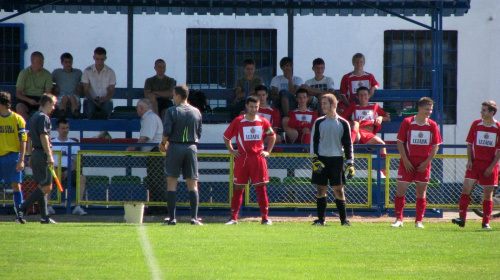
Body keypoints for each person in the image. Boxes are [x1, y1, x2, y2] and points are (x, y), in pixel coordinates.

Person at [223, 96, 276, 225]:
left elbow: (272, 136)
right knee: (238, 188)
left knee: (261, 188)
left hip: (258, 158)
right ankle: (233, 218)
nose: (254, 109)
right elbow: (226, 137)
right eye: (252, 106)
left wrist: (268, 151)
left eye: (256, 107)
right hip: (242, 158)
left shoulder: (263, 121)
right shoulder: (238, 121)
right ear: (247, 106)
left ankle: (265, 218)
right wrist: (231, 150)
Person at [391, 97, 442, 229]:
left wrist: (427, 162)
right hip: (407, 162)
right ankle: (399, 219)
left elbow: (436, 145)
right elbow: (400, 142)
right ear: (419, 108)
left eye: (430, 109)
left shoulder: (432, 125)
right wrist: (406, 160)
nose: (429, 112)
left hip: (423, 163)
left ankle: (418, 221)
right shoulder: (408, 122)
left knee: (421, 192)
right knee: (401, 189)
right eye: (427, 109)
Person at [158, 85, 203, 226]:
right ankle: (194, 218)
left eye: (173, 95)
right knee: (193, 183)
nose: (172, 97)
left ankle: (172, 218)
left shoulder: (171, 111)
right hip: (191, 147)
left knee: (172, 182)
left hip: (175, 146)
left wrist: (163, 143)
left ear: (178, 95)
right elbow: (199, 133)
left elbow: (167, 131)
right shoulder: (197, 112)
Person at [452, 101, 500, 229]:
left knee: (488, 194)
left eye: (484, 110)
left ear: (491, 113)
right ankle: (461, 218)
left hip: (490, 166)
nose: (481, 112)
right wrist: (470, 160)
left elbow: (499, 150)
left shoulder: (498, 127)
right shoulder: (476, 124)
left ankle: (485, 222)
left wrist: (491, 167)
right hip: (475, 164)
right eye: (482, 110)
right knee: (466, 188)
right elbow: (470, 143)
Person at [310, 93, 354, 226]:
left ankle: (344, 221)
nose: (322, 106)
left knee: (339, 190)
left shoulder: (343, 123)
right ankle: (321, 220)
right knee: (320, 190)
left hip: (337, 160)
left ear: (333, 104)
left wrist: (350, 163)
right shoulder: (318, 122)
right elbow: (313, 142)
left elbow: (348, 144)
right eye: (321, 103)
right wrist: (315, 160)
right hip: (322, 160)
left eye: (325, 103)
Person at [14, 93, 58, 224]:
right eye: (53, 104)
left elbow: (30, 137)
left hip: (35, 153)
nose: (54, 108)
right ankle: (22, 209)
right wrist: (49, 155)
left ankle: (44, 217)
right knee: (47, 187)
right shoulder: (44, 117)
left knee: (41, 185)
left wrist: (30, 155)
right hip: (42, 153)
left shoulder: (34, 116)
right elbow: (43, 136)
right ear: (48, 103)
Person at [126, 98, 166, 213]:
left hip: (155, 152)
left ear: (142, 108)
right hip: (156, 151)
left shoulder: (149, 118)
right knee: (155, 179)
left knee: (155, 180)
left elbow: (145, 137)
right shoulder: (151, 117)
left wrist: (134, 147)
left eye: (137, 107)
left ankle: (158, 208)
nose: (136, 110)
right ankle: (157, 207)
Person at [341, 86, 390, 176]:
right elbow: (341, 119)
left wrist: (381, 117)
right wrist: (352, 122)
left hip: (369, 136)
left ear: (369, 96)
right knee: (356, 124)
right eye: (361, 95)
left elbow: (388, 117)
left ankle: (383, 172)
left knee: (382, 145)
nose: (363, 97)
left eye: (365, 95)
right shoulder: (353, 107)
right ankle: (348, 146)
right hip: (357, 135)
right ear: (357, 97)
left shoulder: (374, 106)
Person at [0, 91, 27, 222]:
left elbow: (23, 140)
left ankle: (19, 215)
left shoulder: (17, 119)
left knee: (16, 185)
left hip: (12, 156)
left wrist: (21, 159)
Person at [51, 118, 87, 215]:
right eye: (63, 128)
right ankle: (48, 206)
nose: (65, 130)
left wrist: (69, 170)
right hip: (54, 168)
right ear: (57, 129)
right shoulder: (51, 143)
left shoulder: (74, 144)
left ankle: (78, 206)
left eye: (67, 128)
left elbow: (76, 161)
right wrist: (55, 171)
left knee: (82, 179)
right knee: (47, 178)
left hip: (70, 169)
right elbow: (48, 160)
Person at [15, 51, 53, 120]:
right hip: (26, 98)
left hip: (41, 98)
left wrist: (42, 101)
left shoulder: (47, 74)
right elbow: (18, 93)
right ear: (32, 61)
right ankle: (29, 125)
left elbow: (48, 93)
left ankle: (43, 124)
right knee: (19, 107)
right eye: (40, 61)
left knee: (49, 107)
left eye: (43, 61)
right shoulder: (24, 74)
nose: (42, 63)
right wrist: (29, 100)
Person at [82, 47, 116, 119]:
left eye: (102, 59)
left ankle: (103, 124)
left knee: (106, 111)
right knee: (90, 110)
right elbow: (85, 90)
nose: (99, 62)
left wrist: (104, 99)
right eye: (97, 59)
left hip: (106, 100)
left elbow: (112, 90)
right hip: (90, 99)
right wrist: (92, 99)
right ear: (94, 58)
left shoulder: (110, 72)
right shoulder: (87, 71)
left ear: (105, 58)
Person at [52, 53, 83, 119]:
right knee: (65, 97)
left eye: (70, 62)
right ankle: (61, 112)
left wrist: (80, 87)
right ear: (62, 63)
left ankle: (75, 113)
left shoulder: (78, 72)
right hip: (61, 97)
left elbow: (84, 82)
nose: (68, 64)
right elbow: (49, 82)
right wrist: (54, 88)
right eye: (66, 62)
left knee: (72, 97)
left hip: (74, 96)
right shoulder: (57, 72)